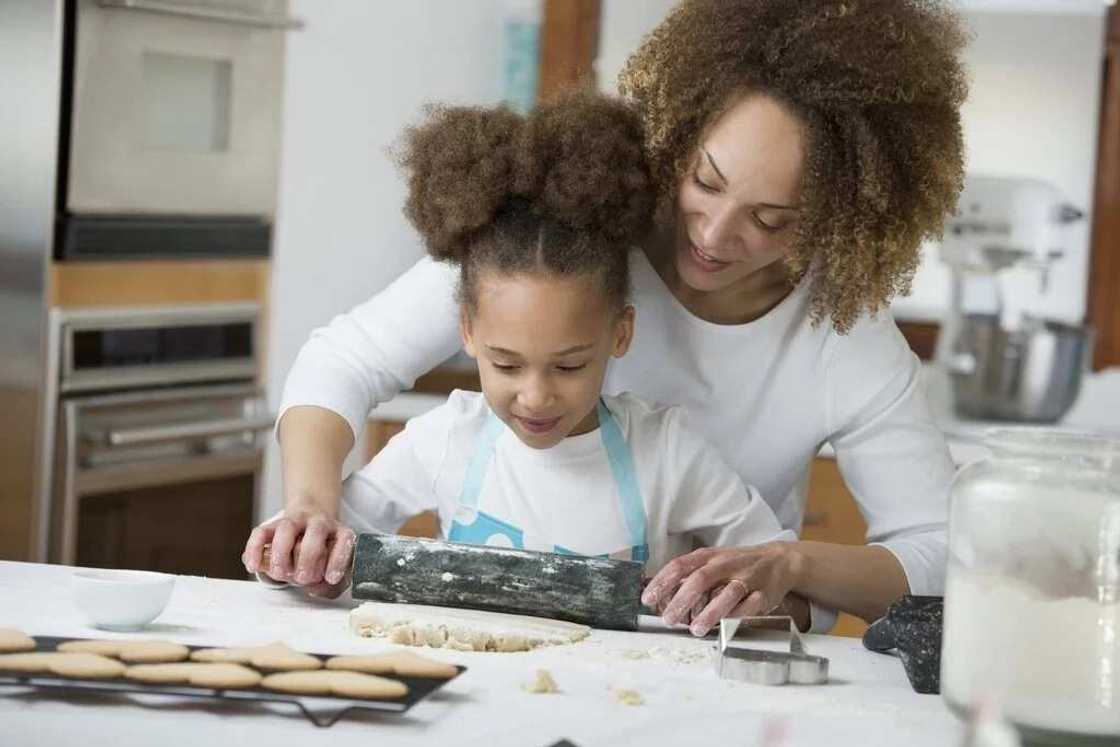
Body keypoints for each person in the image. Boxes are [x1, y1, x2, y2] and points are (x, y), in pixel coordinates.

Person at [244, 0, 968, 635]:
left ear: (837, 217)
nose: (714, 236)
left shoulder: (844, 337)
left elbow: (940, 555)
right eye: (704, 182)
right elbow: (344, 360)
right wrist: (311, 504)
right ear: (678, 137)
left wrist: (789, 565)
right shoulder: (570, 232)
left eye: (772, 220)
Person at [248, 94, 800, 616]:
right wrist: (300, 548)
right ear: (467, 332)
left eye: (569, 365)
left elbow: (781, 582)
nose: (535, 396)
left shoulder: (669, 457)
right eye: (507, 364)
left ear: (620, 334)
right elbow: (323, 546)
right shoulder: (442, 441)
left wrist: (741, 597)